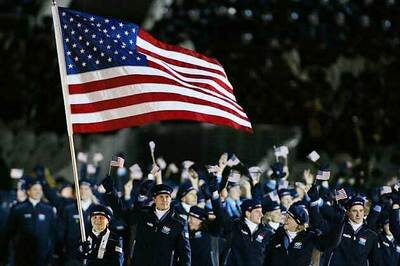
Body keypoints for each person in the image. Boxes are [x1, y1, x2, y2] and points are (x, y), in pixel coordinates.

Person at [104, 176, 191, 266]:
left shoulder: (179, 222)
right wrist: (111, 192)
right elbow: (120, 212)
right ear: (154, 199)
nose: (164, 200)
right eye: (161, 196)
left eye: (167, 197)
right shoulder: (143, 215)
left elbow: (185, 253)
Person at [264, 203, 345, 266]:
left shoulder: (310, 237)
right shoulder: (276, 236)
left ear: (298, 223)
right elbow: (267, 261)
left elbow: (332, 242)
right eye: (285, 216)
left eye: (289, 218)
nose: (284, 219)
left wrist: (339, 225)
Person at [5, 177, 57, 266]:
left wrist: (50, 254)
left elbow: (52, 233)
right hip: (22, 254)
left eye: (40, 189)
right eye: (35, 189)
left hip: (42, 255)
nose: (38, 192)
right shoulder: (19, 209)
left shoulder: (48, 210)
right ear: (28, 191)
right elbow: (10, 232)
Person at [324, 196, 380, 266]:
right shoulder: (339, 227)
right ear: (348, 212)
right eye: (354, 211)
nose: (358, 214)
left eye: (361, 210)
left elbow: (375, 261)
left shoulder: (371, 234)